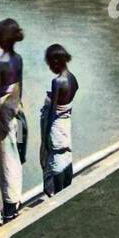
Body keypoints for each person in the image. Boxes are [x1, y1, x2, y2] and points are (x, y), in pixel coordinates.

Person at [0, 18, 27, 222]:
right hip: (15, 109)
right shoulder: (18, 59)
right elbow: (20, 86)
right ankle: (16, 199)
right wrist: (19, 108)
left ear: (3, 40)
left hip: (3, 114)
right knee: (16, 154)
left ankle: (10, 205)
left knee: (5, 157)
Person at [39, 44, 78, 197]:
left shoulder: (57, 82)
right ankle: (68, 188)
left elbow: (53, 112)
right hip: (66, 123)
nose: (50, 68)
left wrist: (46, 140)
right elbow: (68, 98)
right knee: (66, 156)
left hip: (56, 126)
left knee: (55, 158)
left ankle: (58, 193)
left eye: (50, 65)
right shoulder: (72, 78)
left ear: (55, 62)